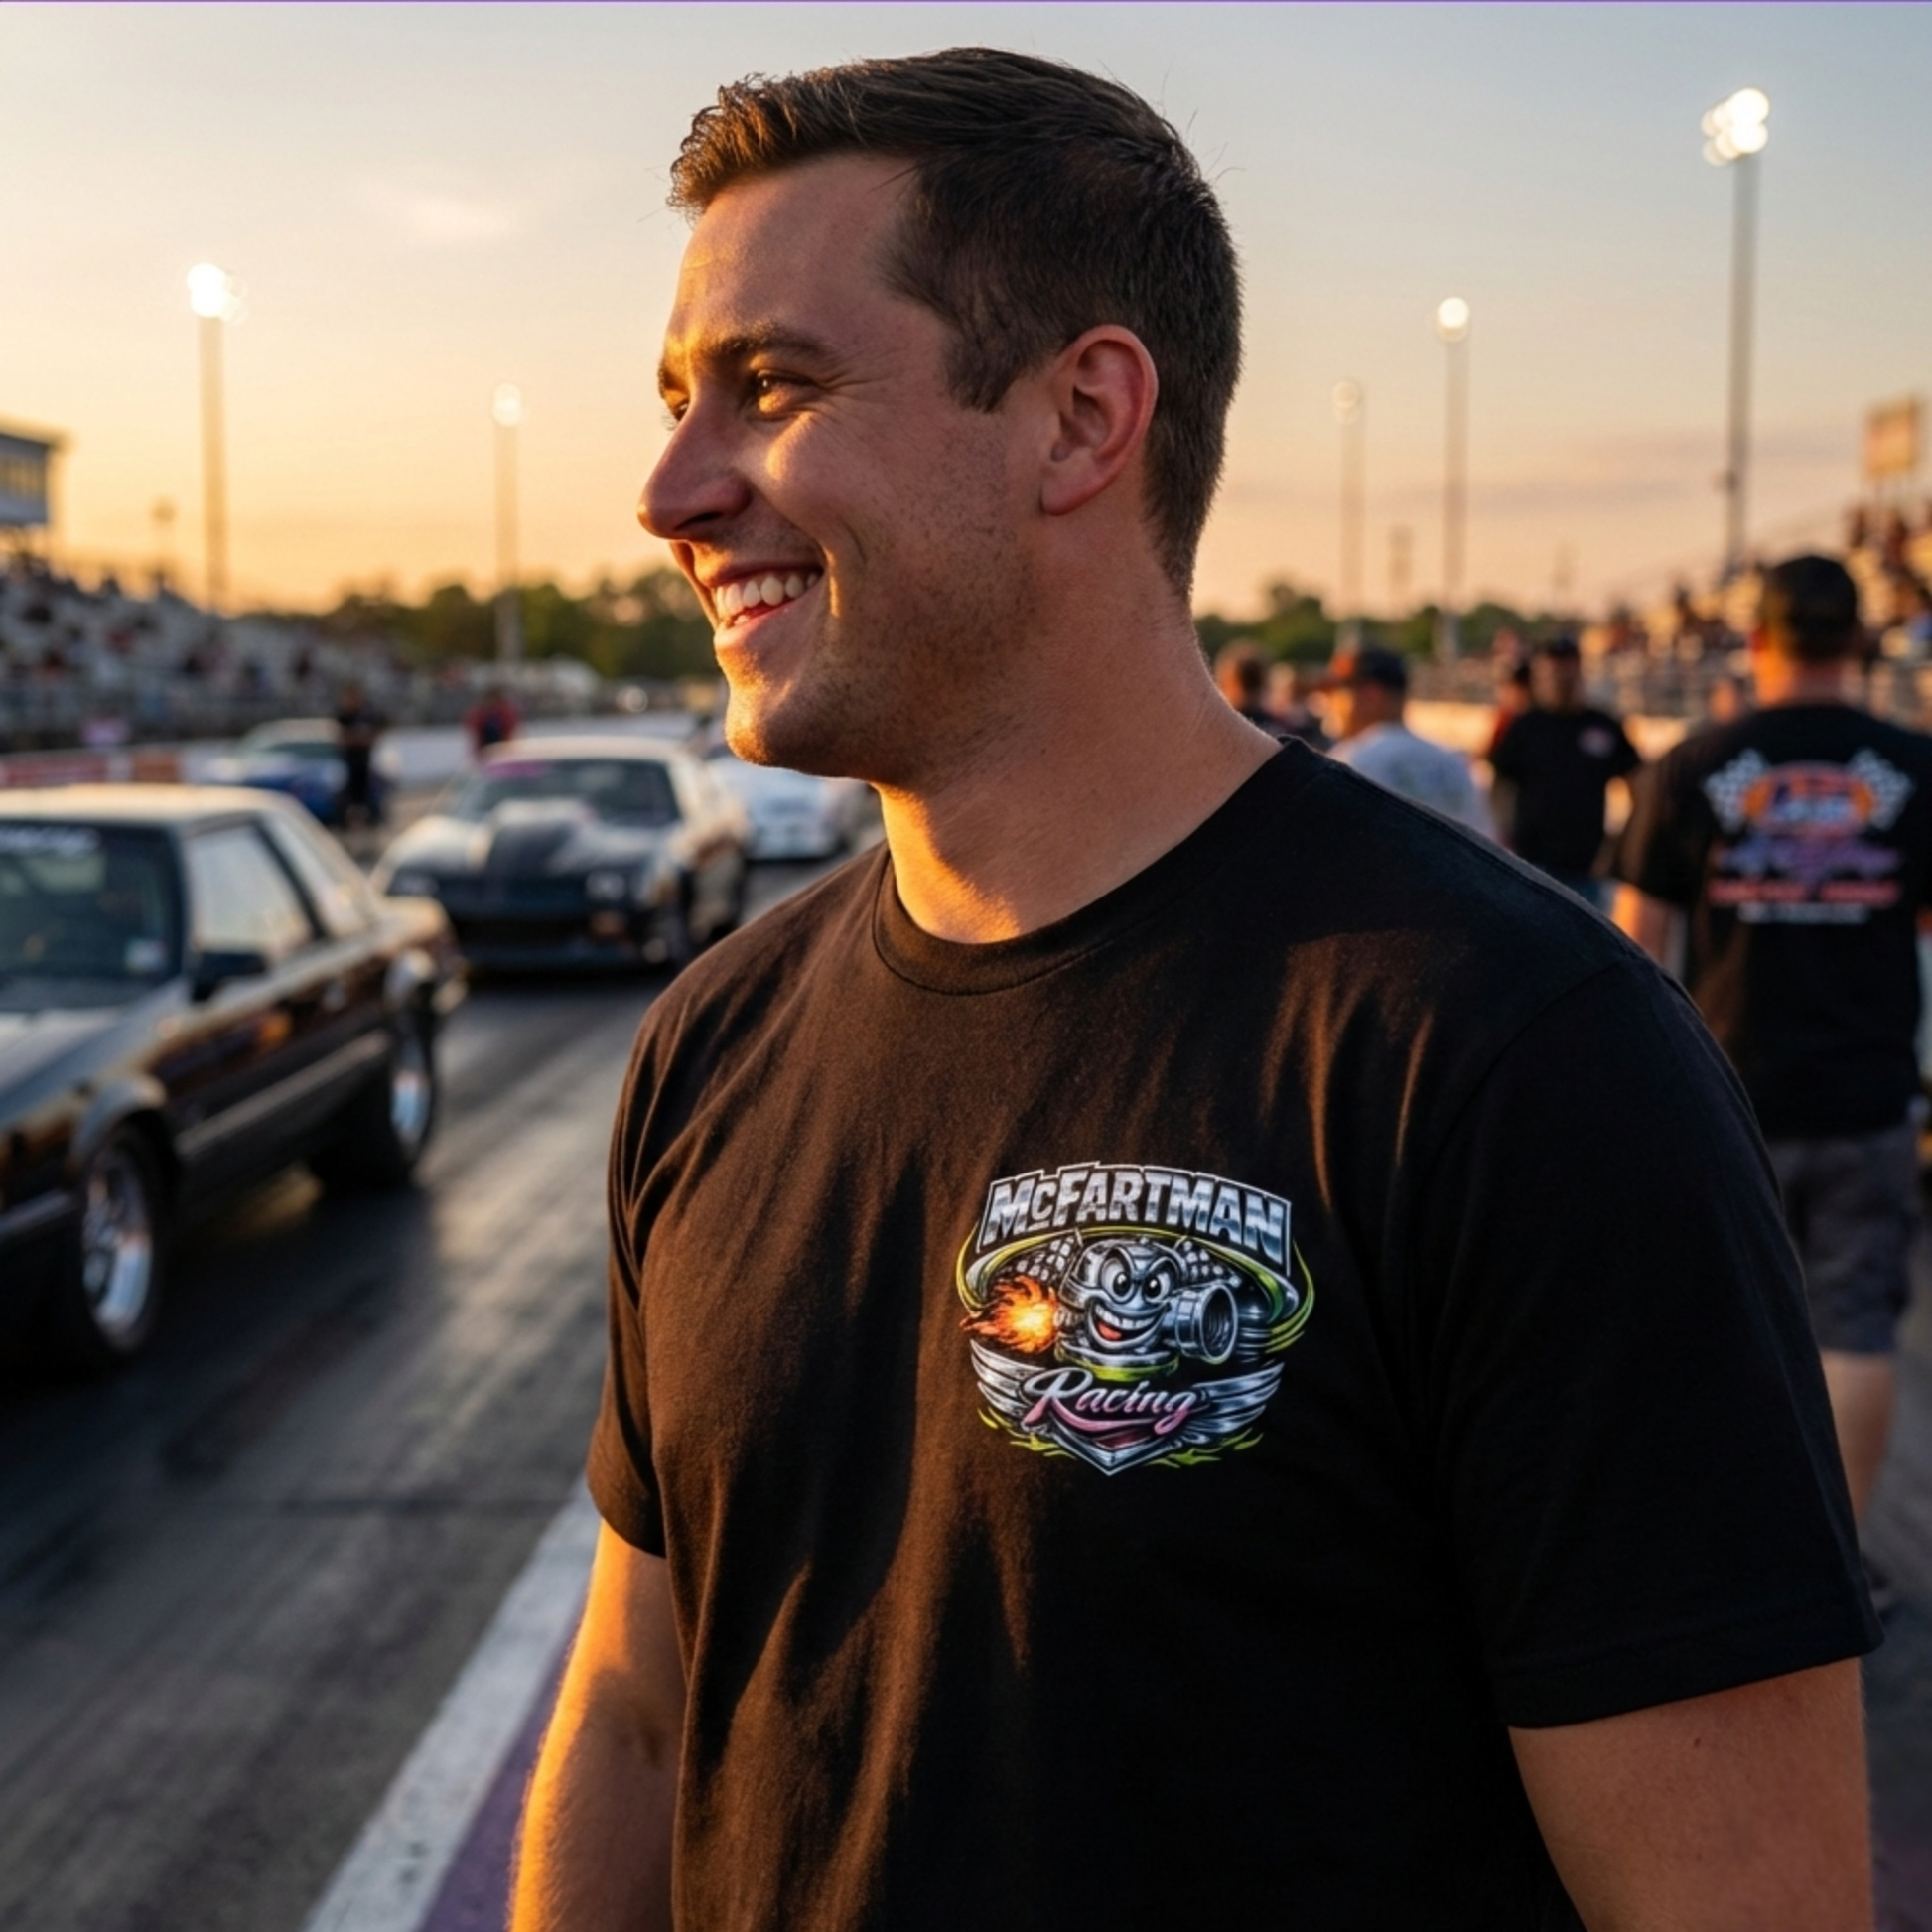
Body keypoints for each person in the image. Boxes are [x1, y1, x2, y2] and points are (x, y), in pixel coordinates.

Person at [513, 52, 1875, 1932]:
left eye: (777, 386)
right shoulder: (712, 1041)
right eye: (677, 400)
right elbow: (639, 1718)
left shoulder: (1513, 1060)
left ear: (1082, 418)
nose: (671, 490)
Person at [1612, 552, 1932, 1534]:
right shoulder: (1917, 771)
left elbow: (1631, 949)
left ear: (1756, 642)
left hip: (1720, 1097)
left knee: (1713, 1331)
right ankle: (1830, 1554)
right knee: (1851, 1330)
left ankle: (1726, 1548)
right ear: (1860, 642)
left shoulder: (1693, 766)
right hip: (1866, 1097)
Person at [1488, 635, 1641, 906]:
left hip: (1588, 869)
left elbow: (1639, 785)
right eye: (1552, 669)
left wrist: (1621, 847)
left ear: (1579, 669)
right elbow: (1501, 785)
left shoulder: (1603, 726)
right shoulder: (1525, 727)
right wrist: (1503, 839)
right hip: (1532, 866)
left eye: (1565, 667)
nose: (1559, 676)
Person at [1318, 642, 1489, 832]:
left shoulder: (1350, 763)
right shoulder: (1454, 764)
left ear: (1371, 695)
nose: (1331, 705)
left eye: (1337, 694)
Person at [333, 680, 385, 828]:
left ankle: (371, 821)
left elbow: (374, 736)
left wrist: (359, 738)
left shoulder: (368, 714)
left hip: (364, 761)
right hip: (348, 762)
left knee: (367, 794)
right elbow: (342, 739)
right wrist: (357, 738)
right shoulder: (343, 715)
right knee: (347, 795)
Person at [466, 682, 520, 757]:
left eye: (495, 700)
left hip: (504, 749)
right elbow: (473, 731)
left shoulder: (507, 712)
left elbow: (512, 732)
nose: (493, 703)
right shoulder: (479, 713)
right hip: (484, 750)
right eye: (491, 700)